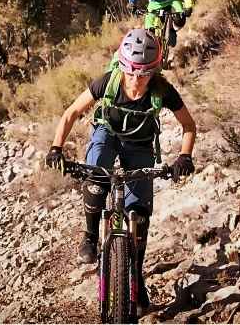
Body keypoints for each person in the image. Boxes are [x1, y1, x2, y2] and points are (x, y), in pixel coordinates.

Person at [45, 29, 197, 312]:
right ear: (122, 66)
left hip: (139, 145)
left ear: (154, 71)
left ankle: (136, 276)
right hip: (108, 133)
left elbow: (189, 125)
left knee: (139, 215)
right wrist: (56, 147)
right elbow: (71, 113)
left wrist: (184, 156)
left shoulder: (162, 90)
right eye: (131, 72)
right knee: (96, 176)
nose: (136, 80)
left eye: (143, 74)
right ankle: (90, 235)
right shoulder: (109, 82)